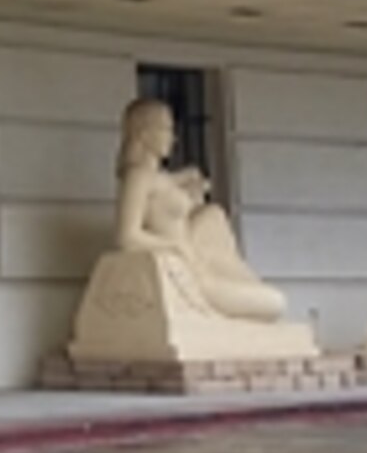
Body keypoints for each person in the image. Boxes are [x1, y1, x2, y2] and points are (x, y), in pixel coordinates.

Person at [112, 97, 286, 323]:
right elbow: (126, 237)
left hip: (198, 266)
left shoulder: (162, 179)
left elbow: (174, 187)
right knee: (275, 302)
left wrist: (192, 189)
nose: (172, 138)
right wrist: (174, 246)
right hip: (189, 276)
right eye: (165, 129)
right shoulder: (138, 177)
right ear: (144, 132)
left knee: (213, 215)